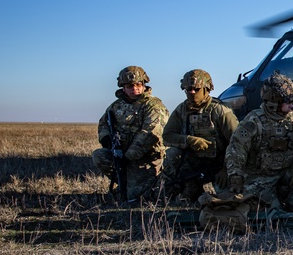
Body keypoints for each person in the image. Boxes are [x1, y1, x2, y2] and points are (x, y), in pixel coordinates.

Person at [223, 71, 293, 219]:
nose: (292, 106)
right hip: (258, 179)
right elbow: (236, 149)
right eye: (287, 102)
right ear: (274, 101)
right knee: (272, 213)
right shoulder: (253, 121)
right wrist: (235, 176)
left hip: (285, 175)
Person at [93, 65, 169, 203]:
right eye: (130, 86)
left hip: (146, 159)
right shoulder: (116, 106)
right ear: (123, 87)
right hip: (122, 155)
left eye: (138, 85)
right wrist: (106, 139)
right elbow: (103, 124)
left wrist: (128, 156)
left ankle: (150, 185)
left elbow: (151, 133)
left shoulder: (153, 106)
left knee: (135, 198)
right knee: (99, 156)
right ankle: (126, 182)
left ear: (144, 85)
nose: (134, 89)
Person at [161, 69, 239, 203]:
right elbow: (167, 135)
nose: (192, 93)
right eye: (188, 89)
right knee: (172, 155)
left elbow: (237, 142)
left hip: (219, 164)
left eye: (196, 89)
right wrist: (188, 140)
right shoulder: (181, 110)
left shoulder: (220, 110)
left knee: (224, 199)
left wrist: (226, 169)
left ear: (206, 89)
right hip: (193, 164)